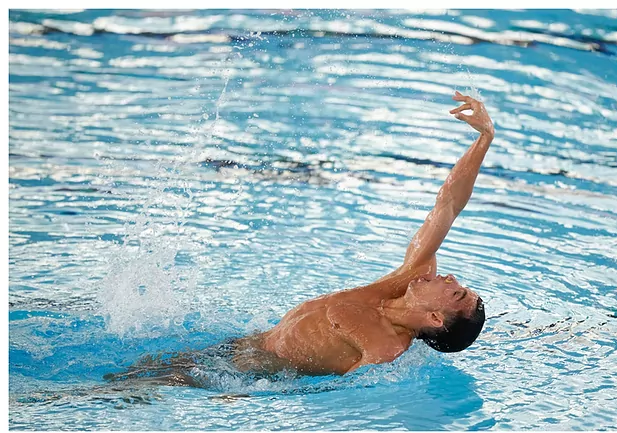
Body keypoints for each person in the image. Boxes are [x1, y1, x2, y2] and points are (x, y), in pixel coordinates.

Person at [105, 91, 492, 385]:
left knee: (117, 394)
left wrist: (242, 398)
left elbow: (341, 395)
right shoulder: (405, 278)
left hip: (250, 376)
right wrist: (483, 140)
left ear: (436, 318)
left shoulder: (385, 347)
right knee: (125, 375)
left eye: (456, 292)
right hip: (238, 345)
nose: (451, 279)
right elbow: (447, 205)